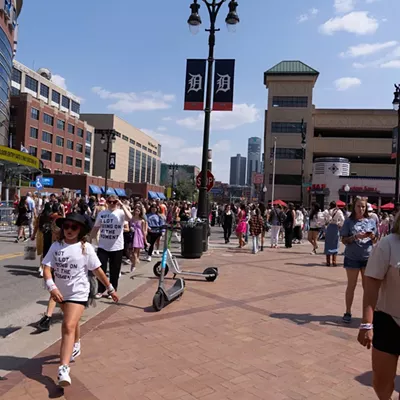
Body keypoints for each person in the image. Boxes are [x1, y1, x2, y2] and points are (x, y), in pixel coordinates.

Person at [42, 213, 119, 387]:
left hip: (79, 292)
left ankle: (63, 368)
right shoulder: (56, 246)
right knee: (73, 322)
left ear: (81, 230)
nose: (69, 230)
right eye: (66, 226)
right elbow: (46, 268)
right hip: (61, 293)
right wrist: (52, 287)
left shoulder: (86, 248)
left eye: (74, 227)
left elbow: (98, 271)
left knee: (67, 325)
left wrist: (110, 288)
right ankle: (76, 342)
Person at [358, 212, 400, 400]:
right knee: (382, 383)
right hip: (389, 321)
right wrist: (367, 322)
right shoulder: (388, 244)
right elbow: (372, 283)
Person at [340, 196, 377, 324]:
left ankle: (366, 314)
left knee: (367, 288)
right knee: (351, 285)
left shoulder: (371, 221)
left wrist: (372, 237)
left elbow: (375, 240)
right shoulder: (348, 222)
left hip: (368, 258)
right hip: (352, 258)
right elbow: (344, 240)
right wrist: (355, 237)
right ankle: (348, 311)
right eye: (358, 206)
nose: (361, 209)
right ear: (354, 207)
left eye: (363, 206)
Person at [90, 195, 132, 299]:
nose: (112, 204)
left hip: (117, 246)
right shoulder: (102, 214)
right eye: (110, 201)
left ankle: (113, 289)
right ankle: (101, 289)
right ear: (107, 202)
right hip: (103, 245)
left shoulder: (121, 213)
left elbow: (130, 217)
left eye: (114, 202)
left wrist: (122, 204)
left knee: (115, 270)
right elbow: (95, 228)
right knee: (101, 269)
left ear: (117, 202)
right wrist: (89, 241)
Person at [323, 201, 345, 266]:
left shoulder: (327, 211)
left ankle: (328, 261)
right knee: (335, 243)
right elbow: (343, 219)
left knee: (328, 244)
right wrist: (339, 224)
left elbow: (324, 219)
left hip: (329, 227)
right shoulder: (339, 211)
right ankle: (334, 261)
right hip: (335, 228)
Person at [130, 205, 147, 272]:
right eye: (136, 210)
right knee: (130, 251)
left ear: (140, 212)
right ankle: (133, 261)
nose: (136, 212)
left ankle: (133, 265)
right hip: (131, 235)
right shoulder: (131, 218)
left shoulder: (142, 220)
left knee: (135, 251)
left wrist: (145, 240)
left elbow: (143, 230)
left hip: (138, 235)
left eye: (138, 211)